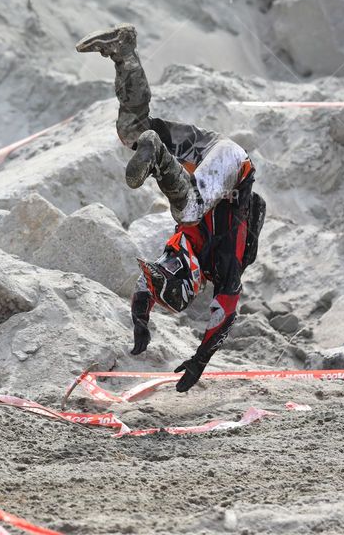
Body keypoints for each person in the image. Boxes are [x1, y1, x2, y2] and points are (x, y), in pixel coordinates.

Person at [76, 24, 265, 392]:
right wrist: (200, 361)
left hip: (204, 157)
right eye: (171, 265)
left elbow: (148, 285)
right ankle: (157, 153)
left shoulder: (183, 256)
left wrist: (140, 321)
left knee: (132, 130)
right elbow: (223, 318)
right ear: (192, 280)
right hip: (230, 163)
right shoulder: (228, 264)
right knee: (189, 210)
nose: (168, 256)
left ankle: (124, 53)